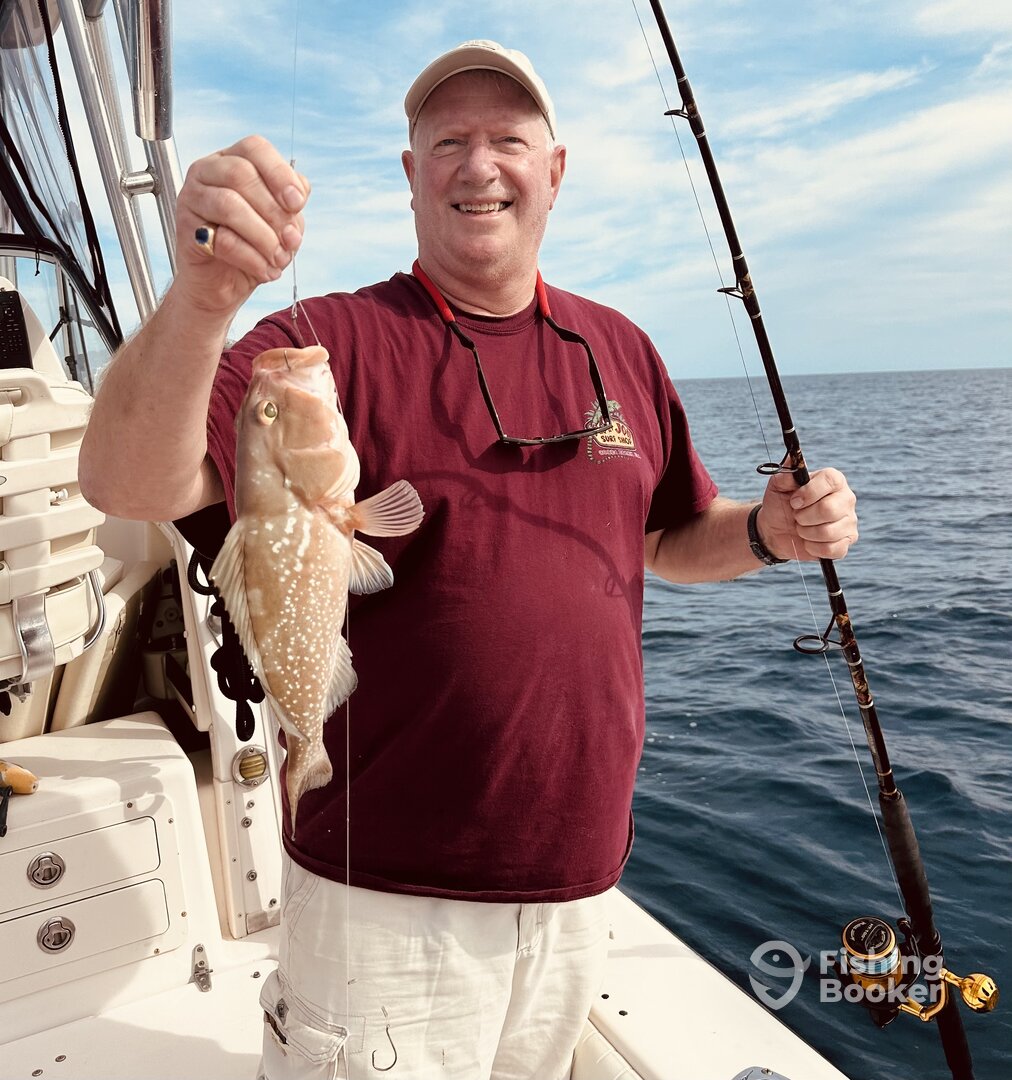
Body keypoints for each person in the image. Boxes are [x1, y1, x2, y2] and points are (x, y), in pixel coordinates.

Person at [80, 39, 858, 1080]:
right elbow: (129, 484)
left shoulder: (619, 348)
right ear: (410, 175)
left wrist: (768, 533)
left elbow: (670, 539)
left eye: (507, 141)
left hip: (582, 881)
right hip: (383, 899)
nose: (477, 166)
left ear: (555, 170)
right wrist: (203, 298)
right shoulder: (329, 343)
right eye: (447, 142)